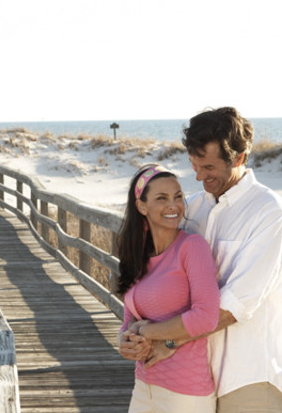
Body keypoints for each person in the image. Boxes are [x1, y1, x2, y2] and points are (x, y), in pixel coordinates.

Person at [147, 107, 282, 413]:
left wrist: (163, 338)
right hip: (195, 371)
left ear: (239, 158)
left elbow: (233, 307)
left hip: (251, 376)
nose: (199, 176)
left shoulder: (270, 213)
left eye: (208, 167)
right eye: (193, 165)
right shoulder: (193, 208)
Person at [116, 164, 221, 412]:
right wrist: (125, 342)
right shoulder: (137, 256)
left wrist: (149, 331)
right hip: (143, 386)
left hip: (184, 393)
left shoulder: (192, 247)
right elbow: (129, 321)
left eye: (178, 197)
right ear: (142, 206)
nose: (173, 205)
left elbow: (207, 317)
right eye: (161, 198)